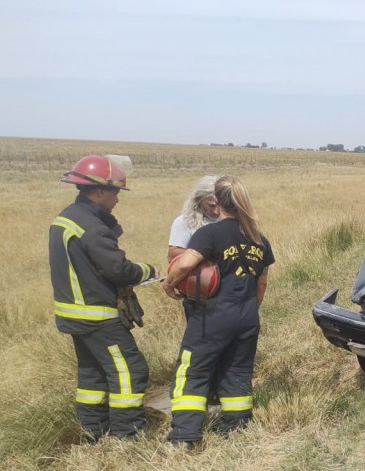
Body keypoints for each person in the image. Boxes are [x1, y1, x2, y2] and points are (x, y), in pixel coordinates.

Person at [48, 154, 160, 441]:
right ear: (98, 190)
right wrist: (149, 270)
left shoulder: (67, 217)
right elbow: (118, 269)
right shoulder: (93, 226)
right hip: (97, 317)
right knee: (130, 370)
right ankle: (127, 435)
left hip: (73, 316)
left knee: (92, 376)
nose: (117, 199)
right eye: (115, 192)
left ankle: (93, 431)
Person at [162, 175, 274, 447]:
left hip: (212, 317)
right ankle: (236, 425)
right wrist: (247, 312)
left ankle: (185, 435)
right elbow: (262, 283)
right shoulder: (260, 240)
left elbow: (183, 264)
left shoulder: (209, 233)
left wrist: (168, 285)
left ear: (217, 203)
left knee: (192, 369)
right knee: (237, 369)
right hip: (247, 316)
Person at [167, 175, 220, 262]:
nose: (217, 211)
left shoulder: (231, 218)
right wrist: (208, 255)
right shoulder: (184, 222)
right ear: (198, 199)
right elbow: (172, 255)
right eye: (211, 205)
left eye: (221, 205)